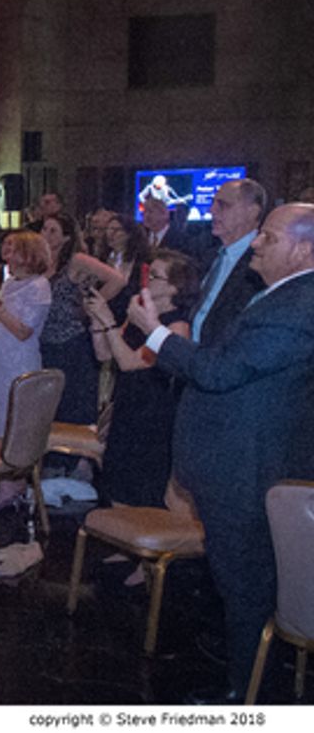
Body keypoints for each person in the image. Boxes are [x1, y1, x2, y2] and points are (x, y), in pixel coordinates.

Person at [127, 203, 314, 703]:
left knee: (247, 589)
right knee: (242, 586)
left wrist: (155, 331)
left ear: (303, 249)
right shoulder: (283, 293)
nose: (256, 244)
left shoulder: (299, 304)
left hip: (247, 469)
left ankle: (249, 699)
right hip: (240, 463)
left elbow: (218, 372)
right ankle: (249, 685)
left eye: (268, 237)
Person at [84, 250, 199, 513]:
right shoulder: (139, 315)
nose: (146, 282)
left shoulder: (176, 327)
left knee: (139, 487)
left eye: (155, 277)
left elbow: (130, 362)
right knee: (115, 481)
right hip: (127, 403)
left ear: (174, 287)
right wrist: (98, 320)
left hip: (152, 413)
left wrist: (108, 320)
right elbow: (105, 354)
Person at [0, 231, 52, 510]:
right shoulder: (9, 284)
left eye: (14, 249)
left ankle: (13, 483)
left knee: (14, 420)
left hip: (19, 360)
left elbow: (23, 330)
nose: (7, 254)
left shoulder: (39, 286)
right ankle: (3, 480)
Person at [38, 214, 126, 427]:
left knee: (72, 405)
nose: (46, 235)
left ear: (67, 237)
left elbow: (117, 279)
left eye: (53, 231)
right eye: (44, 229)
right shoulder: (42, 263)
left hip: (72, 342)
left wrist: (92, 306)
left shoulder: (76, 260)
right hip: (46, 342)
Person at [189, 179, 265, 345]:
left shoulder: (262, 261)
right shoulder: (207, 254)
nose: (211, 210)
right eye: (213, 203)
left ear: (252, 212)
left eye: (223, 205)